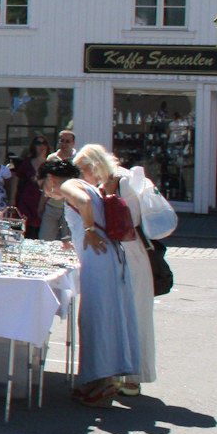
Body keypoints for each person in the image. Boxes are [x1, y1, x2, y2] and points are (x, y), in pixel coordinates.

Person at [39, 158, 141, 407]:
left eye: (42, 184)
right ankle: (99, 379)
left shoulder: (69, 186)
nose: (45, 191)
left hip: (99, 259)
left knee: (96, 319)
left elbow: (84, 204)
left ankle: (103, 382)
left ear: (50, 179)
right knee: (103, 317)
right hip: (107, 258)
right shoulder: (87, 185)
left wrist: (89, 231)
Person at [76, 143, 157, 394]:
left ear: (92, 165)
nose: (81, 176)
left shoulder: (122, 180)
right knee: (122, 314)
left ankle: (134, 376)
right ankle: (121, 373)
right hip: (121, 253)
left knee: (135, 314)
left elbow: (129, 220)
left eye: (82, 170)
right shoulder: (111, 181)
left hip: (130, 252)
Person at [9, 136, 52, 238]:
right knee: (23, 229)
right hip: (26, 200)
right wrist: (12, 198)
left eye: (44, 143)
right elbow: (17, 178)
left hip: (41, 200)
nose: (41, 146)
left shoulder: (49, 162)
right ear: (34, 146)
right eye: (38, 143)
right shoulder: (28, 161)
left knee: (38, 231)